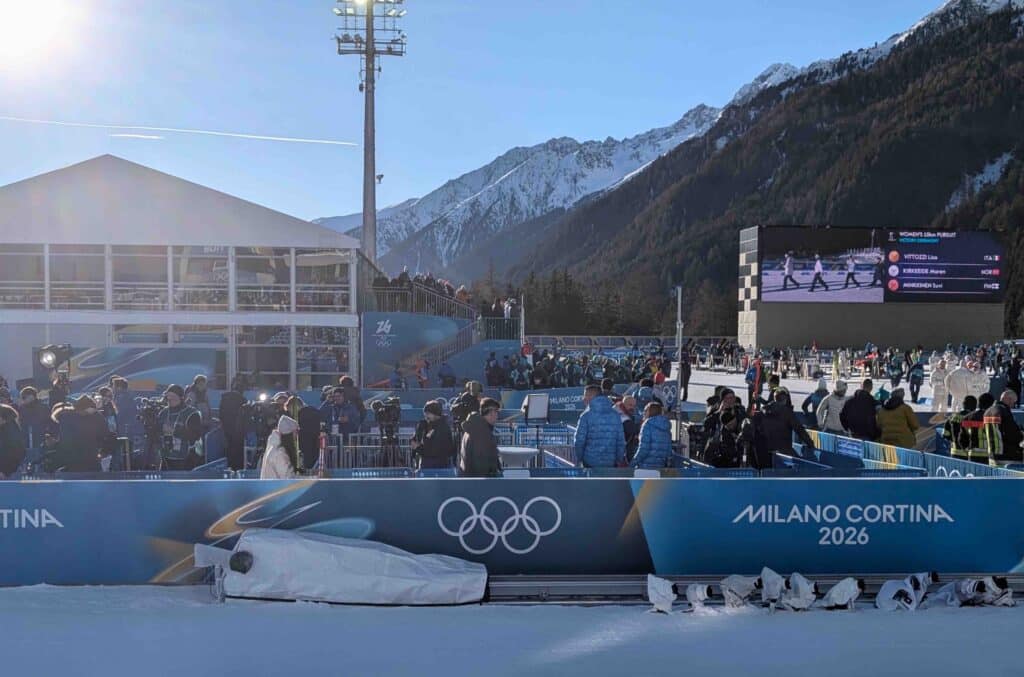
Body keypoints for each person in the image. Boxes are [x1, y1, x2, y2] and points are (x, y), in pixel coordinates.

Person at [752, 387, 815, 466]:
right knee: (799, 466)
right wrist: (810, 443)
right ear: (785, 400)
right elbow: (799, 429)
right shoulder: (787, 413)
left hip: (766, 451)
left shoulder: (762, 412)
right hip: (784, 451)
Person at [573, 385, 626, 468]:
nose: (583, 398)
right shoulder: (615, 415)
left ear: (592, 396)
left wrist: (580, 458)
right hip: (611, 463)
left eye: (585, 395)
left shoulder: (586, 416)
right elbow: (620, 440)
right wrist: (618, 459)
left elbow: (579, 441)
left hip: (589, 463)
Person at [156, 385, 204, 470]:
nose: (170, 399)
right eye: (168, 397)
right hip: (166, 457)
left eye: (174, 396)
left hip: (185, 459)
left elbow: (195, 436)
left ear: (181, 398)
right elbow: (156, 432)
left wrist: (174, 431)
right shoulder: (163, 412)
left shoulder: (191, 413)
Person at [458, 397, 501, 477]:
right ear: (491, 412)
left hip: (469, 480)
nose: (497, 415)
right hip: (480, 484)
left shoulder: (474, 427)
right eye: (496, 412)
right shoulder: (482, 432)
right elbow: (481, 463)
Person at [981, 390, 1023, 464]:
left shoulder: (987, 412)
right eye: (1014, 402)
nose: (1013, 405)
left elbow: (984, 431)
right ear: (1009, 399)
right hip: (1007, 456)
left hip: (992, 456)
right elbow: (1012, 434)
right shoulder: (1004, 411)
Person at [411, 400, 456, 469]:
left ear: (436, 414)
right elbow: (417, 440)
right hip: (427, 464)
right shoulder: (425, 425)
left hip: (438, 466)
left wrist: (418, 448)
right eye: (425, 413)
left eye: (428, 413)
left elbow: (434, 450)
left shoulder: (442, 428)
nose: (426, 416)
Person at [631, 402, 672, 470]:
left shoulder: (647, 424)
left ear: (649, 411)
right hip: (660, 467)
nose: (643, 413)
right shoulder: (666, 426)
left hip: (645, 466)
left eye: (645, 410)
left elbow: (643, 449)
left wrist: (633, 463)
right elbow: (668, 449)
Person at [259, 415, 300, 479]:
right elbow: (287, 479)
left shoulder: (275, 446)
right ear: (289, 435)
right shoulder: (279, 453)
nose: (296, 438)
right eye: (295, 433)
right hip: (275, 488)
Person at [944, 396, 979, 461]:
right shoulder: (975, 418)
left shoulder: (953, 417)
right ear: (975, 406)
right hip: (970, 454)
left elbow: (946, 435)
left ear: (963, 405)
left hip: (955, 452)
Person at [0, 404, 26, 479]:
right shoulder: (12, 429)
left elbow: (15, 453)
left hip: (7, 473)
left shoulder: (10, 432)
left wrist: (4, 471)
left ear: (3, 418)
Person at [613, 396, 640, 462]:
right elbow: (631, 429)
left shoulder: (620, 410)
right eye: (630, 405)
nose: (632, 408)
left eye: (634, 406)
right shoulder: (621, 414)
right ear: (623, 404)